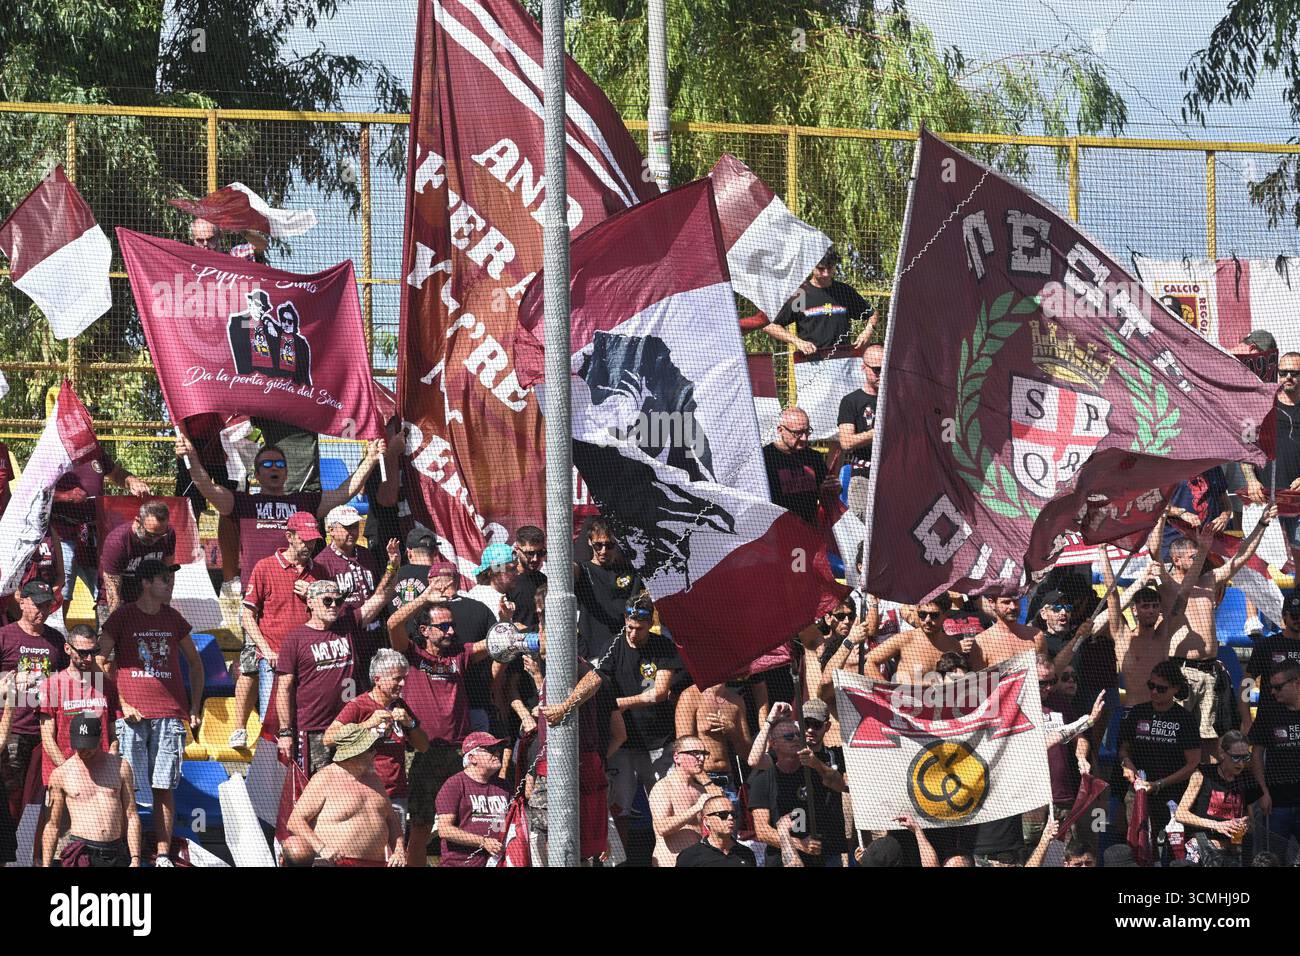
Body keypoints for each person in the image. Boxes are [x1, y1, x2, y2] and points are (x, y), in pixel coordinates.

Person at [541, 589, 681, 849]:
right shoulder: (614, 644)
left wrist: (621, 703)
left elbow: (660, 693)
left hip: (658, 742)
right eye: (629, 627)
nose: (632, 633)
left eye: (639, 628)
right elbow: (594, 678)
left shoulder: (663, 645)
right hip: (624, 744)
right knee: (619, 809)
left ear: (650, 624)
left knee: (666, 809)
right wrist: (565, 706)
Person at [174, 432, 385, 588]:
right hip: (256, 593)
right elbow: (207, 488)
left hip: (299, 589)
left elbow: (344, 493)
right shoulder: (243, 503)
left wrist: (371, 459)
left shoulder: (304, 502)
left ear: (286, 473)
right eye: (267, 465)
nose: (273, 467)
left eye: (279, 464)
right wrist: (192, 458)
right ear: (256, 475)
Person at [98, 558, 204, 867]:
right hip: (131, 717)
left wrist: (195, 706)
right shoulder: (122, 617)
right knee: (124, 787)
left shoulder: (174, 618)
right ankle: (121, 850)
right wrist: (121, 702)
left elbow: (196, 664)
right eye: (163, 579)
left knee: (164, 787)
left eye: (170, 579)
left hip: (170, 714)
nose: (169, 585)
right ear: (145, 583)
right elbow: (98, 662)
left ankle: (161, 855)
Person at [386, 567, 493, 866]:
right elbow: (393, 624)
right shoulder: (411, 655)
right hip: (423, 752)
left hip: (460, 752)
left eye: (451, 626)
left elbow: (491, 645)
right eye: (443, 627)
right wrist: (423, 599)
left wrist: (510, 626)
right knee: (419, 828)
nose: (451, 631)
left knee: (465, 823)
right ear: (425, 631)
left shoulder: (460, 654)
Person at [1148, 505, 1274, 755]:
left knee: (1209, 739)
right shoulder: (1167, 584)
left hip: (1209, 671)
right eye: (1194, 557)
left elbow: (1242, 557)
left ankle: (1208, 789)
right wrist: (1162, 516)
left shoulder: (1208, 580)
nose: (1201, 559)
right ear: (1177, 560)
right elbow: (1153, 552)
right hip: (1179, 672)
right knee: (1175, 737)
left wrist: (1261, 524)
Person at [273, 558, 397, 778]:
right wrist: (285, 732)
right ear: (310, 602)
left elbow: (382, 596)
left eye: (338, 602)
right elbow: (283, 689)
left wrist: (391, 566)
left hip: (349, 727)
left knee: (350, 787)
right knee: (314, 790)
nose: (334, 606)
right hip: (313, 730)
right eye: (327, 600)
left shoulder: (347, 624)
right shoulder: (296, 639)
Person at [235, 512, 333, 745]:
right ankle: (273, 775)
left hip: (310, 663)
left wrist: (313, 595)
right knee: (274, 725)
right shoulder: (265, 567)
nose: (309, 545)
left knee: (308, 721)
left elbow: (331, 617)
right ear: (289, 536)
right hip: (275, 661)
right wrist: (266, 651)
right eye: (304, 539)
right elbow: (247, 616)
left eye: (313, 540)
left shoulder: (320, 572)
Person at [325, 647, 429, 824]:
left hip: (396, 795)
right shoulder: (358, 705)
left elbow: (424, 746)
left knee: (396, 850)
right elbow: (328, 738)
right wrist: (367, 724)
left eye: (404, 678)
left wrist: (409, 724)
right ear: (378, 679)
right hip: (364, 793)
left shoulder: (400, 705)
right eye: (397, 679)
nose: (403, 684)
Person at [1116, 659, 1202, 862]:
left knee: (1175, 851)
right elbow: (1123, 749)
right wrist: (1127, 763)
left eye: (1161, 689)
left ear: (1175, 689)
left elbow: (1193, 763)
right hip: (1139, 791)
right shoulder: (1138, 712)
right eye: (1151, 686)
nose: (1154, 692)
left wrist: (1160, 784)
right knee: (1139, 846)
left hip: (1173, 794)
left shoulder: (1185, 719)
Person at [285, 724, 405, 867]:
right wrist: (321, 848)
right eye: (370, 749)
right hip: (338, 864)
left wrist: (399, 851)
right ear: (353, 755)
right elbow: (295, 821)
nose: (375, 753)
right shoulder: (325, 778)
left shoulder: (374, 779)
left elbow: (391, 819)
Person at [51, 447, 150, 607]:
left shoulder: (94, 451)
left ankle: (105, 630)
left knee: (104, 590)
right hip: (62, 534)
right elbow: (36, 491)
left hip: (94, 535)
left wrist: (132, 481)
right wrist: (66, 496)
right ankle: (56, 631)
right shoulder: (54, 451)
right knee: (62, 592)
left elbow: (117, 474)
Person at [0, 581, 68, 807]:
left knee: (41, 798)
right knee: (11, 795)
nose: (43, 611)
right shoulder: (5, 636)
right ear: (21, 602)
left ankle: (33, 843)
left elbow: (70, 680)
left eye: (47, 605)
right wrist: (10, 680)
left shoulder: (57, 640)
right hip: (12, 731)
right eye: (38, 605)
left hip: (46, 733)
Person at [41, 716, 142, 868]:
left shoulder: (120, 767)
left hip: (115, 851)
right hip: (82, 852)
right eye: (80, 745)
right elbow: (52, 825)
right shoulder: (61, 774)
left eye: (89, 745)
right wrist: (46, 865)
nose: (84, 750)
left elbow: (132, 815)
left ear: (100, 738)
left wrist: (135, 858)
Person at [748, 715, 846, 867]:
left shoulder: (812, 771)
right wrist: (801, 844)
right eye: (788, 736)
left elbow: (840, 785)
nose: (795, 739)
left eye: (798, 735)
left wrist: (818, 765)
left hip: (821, 857)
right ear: (774, 744)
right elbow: (762, 831)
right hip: (781, 859)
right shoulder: (763, 780)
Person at [1242, 350, 1300, 576]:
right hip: (1265, 497)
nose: (1287, 377)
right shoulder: (1261, 405)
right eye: (1283, 372)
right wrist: (1251, 481)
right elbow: (1246, 447)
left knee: (1298, 557)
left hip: (1297, 501)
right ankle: (1251, 614)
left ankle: (1295, 607)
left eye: (1294, 373)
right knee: (1257, 560)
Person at [314, 504, 386, 683]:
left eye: (354, 526)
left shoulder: (367, 555)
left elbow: (377, 590)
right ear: (330, 530)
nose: (352, 532)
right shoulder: (321, 563)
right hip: (347, 637)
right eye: (346, 527)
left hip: (375, 636)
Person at [764, 247, 875, 356]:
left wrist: (868, 330)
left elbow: (872, 314)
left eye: (830, 268)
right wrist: (797, 342)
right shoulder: (800, 294)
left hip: (843, 360)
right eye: (821, 269)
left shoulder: (844, 291)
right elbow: (769, 325)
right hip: (810, 363)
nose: (826, 274)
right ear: (811, 266)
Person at [1174, 730, 1261, 865]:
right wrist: (1217, 825)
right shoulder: (1203, 774)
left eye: (1245, 757)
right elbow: (1180, 814)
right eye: (1236, 757)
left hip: (1233, 851)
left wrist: (1246, 824)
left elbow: (1251, 822)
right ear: (1222, 754)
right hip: (1203, 846)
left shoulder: (1247, 780)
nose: (1241, 763)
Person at [1247, 660, 1300, 858]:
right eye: (1270, 688)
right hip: (1276, 803)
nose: (1272, 692)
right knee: (1271, 858)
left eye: (1278, 687)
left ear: (1297, 683)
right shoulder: (1269, 712)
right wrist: (1262, 791)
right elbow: (1256, 753)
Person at [434, 731, 511, 867]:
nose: (497, 753)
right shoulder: (454, 785)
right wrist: (483, 841)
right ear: (472, 758)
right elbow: (444, 829)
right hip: (459, 864)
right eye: (490, 750)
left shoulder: (504, 786)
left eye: (497, 749)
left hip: (497, 862)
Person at [648, 735, 722, 866]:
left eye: (703, 753)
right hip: (671, 862)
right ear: (677, 757)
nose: (701, 758)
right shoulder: (663, 787)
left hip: (699, 861)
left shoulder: (702, 790)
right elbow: (662, 828)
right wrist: (697, 807)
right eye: (695, 753)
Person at [574, 518, 641, 663]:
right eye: (598, 545)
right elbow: (570, 569)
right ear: (589, 542)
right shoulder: (583, 570)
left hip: (624, 652)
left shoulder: (631, 572)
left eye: (609, 545)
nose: (603, 551)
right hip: (593, 654)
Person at [761, 406, 836, 527]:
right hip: (776, 528)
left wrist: (832, 488)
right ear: (780, 430)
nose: (804, 438)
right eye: (797, 433)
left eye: (807, 431)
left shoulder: (813, 457)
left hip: (808, 528)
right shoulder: (765, 458)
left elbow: (825, 493)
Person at [98, 500, 176, 614]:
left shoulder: (168, 534)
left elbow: (168, 571)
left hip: (148, 600)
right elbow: (113, 592)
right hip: (117, 600)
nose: (155, 540)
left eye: (160, 535)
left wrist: (164, 604)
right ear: (138, 521)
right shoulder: (118, 542)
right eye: (150, 534)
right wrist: (116, 623)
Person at [674, 679, 751, 794]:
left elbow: (748, 754)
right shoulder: (690, 696)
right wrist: (708, 784)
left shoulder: (736, 701)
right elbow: (683, 750)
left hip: (728, 779)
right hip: (699, 781)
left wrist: (732, 731)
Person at [1242, 593, 1300, 732]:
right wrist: (1247, 721)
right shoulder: (1267, 646)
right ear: (1284, 616)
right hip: (1270, 723)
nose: (1298, 620)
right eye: (1294, 616)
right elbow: (1246, 683)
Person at [837, 344, 883, 519]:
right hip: (864, 475)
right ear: (864, 367)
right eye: (877, 369)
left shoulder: (897, 398)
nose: (881, 374)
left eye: (885, 368)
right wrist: (877, 431)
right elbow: (846, 442)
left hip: (893, 474)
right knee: (863, 525)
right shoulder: (851, 401)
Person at [675, 795, 756, 867]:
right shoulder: (690, 856)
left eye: (733, 814)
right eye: (722, 814)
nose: (730, 818)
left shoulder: (746, 854)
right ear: (706, 821)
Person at [969, 595, 1047, 669]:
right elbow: (980, 681)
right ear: (992, 603)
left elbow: (1045, 673)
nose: (1012, 607)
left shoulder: (1036, 635)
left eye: (1016, 601)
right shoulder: (981, 642)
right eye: (1006, 602)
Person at [464, 542, 518, 622]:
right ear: (493, 572)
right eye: (512, 569)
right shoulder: (485, 598)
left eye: (516, 567)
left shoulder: (482, 592)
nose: (517, 573)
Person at [507, 526, 547, 630]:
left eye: (540, 553)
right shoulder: (507, 582)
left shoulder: (544, 581)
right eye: (530, 553)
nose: (535, 559)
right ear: (517, 549)